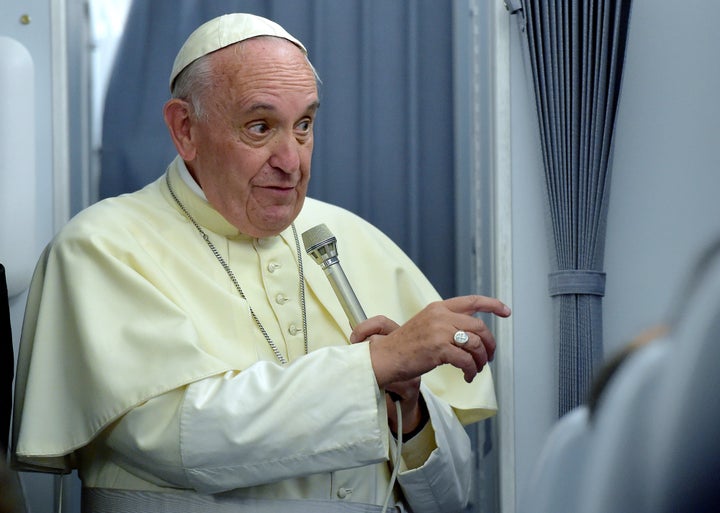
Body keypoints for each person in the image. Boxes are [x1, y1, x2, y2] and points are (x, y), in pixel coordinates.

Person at [11, 13, 511, 513]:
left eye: (304, 125)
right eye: (259, 126)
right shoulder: (102, 246)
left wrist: (410, 406)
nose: (291, 161)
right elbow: (178, 439)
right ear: (186, 129)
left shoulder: (357, 239)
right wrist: (375, 365)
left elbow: (450, 497)